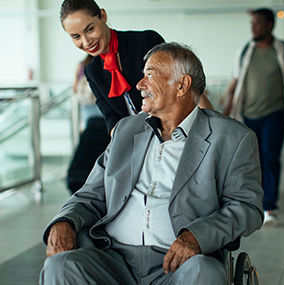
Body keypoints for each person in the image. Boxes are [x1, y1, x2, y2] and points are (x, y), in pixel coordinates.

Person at [40, 42, 264, 285]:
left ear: (182, 85)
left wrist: (196, 236)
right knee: (60, 266)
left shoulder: (232, 138)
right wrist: (65, 221)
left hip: (178, 264)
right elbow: (90, 194)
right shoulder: (127, 130)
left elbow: (247, 207)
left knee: (205, 273)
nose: (139, 85)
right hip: (112, 259)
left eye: (150, 75)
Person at [60, 0, 213, 136]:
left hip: (178, 130)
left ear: (103, 16)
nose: (86, 42)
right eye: (76, 36)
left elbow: (186, 87)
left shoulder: (145, 41)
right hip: (139, 140)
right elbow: (111, 119)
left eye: (90, 29)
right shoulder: (92, 71)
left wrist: (215, 126)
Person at [223, 8, 284, 225]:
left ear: (270, 25)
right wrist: (225, 113)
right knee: (252, 160)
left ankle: (269, 206)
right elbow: (234, 83)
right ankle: (255, 202)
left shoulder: (283, 50)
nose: (253, 27)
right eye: (252, 23)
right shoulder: (246, 51)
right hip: (249, 115)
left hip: (275, 114)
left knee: (270, 157)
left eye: (257, 23)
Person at [66, 55, 110, 194]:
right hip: (106, 119)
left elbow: (75, 89)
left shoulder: (82, 65)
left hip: (89, 118)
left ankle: (87, 187)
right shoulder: (108, 64)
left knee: (86, 157)